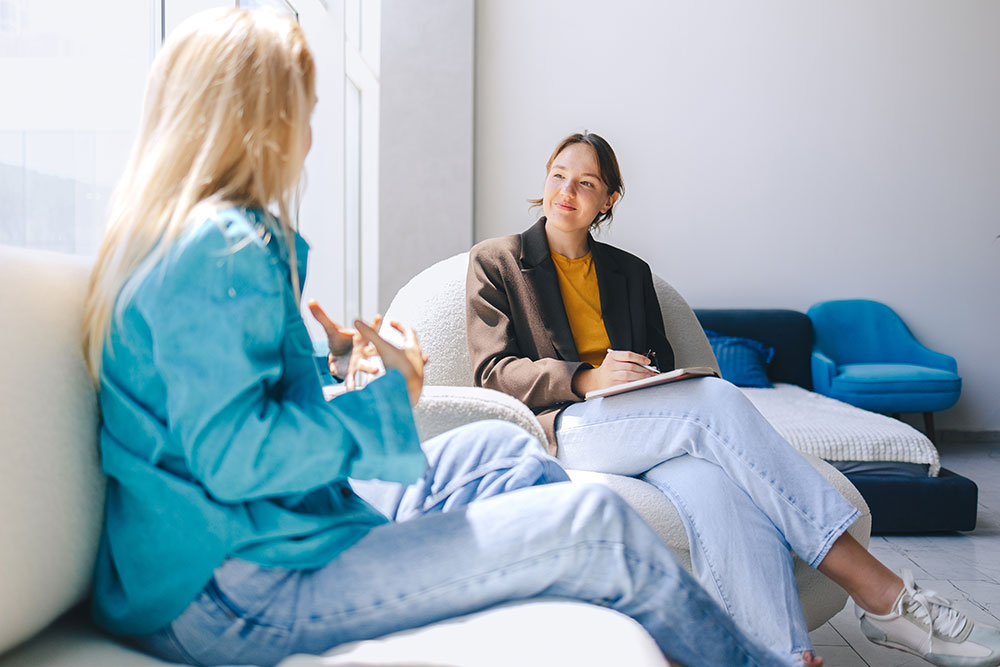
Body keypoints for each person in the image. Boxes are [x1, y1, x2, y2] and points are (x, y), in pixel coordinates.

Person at [79, 9, 798, 667]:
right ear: (260, 122)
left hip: (267, 532)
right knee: (599, 520)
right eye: (306, 111)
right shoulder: (218, 252)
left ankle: (596, 632)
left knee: (503, 446)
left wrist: (346, 369)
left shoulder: (202, 242)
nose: (309, 133)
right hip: (234, 585)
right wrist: (395, 394)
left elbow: (230, 413)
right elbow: (237, 458)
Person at [466, 130, 1000, 667]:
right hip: (569, 427)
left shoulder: (630, 272)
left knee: (720, 488)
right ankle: (883, 595)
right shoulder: (498, 261)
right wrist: (587, 378)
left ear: (609, 199)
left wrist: (645, 379)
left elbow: (663, 361)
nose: (567, 191)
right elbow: (493, 373)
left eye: (586, 182)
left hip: (643, 425)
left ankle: (779, 656)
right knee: (716, 401)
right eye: (559, 175)